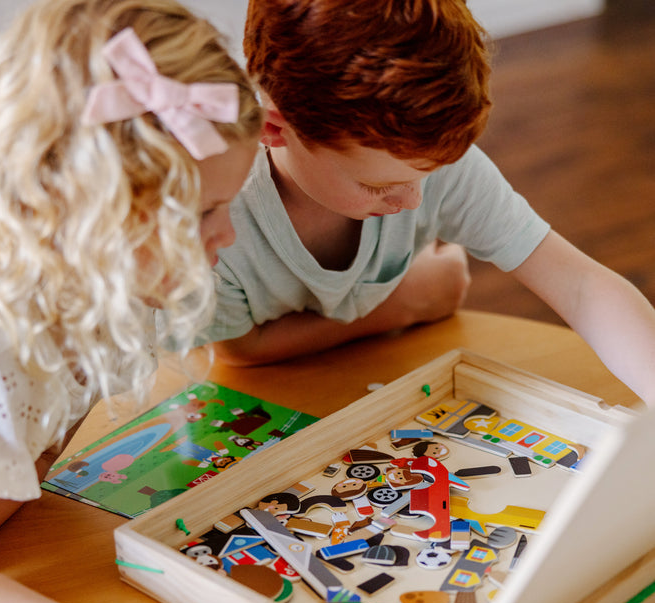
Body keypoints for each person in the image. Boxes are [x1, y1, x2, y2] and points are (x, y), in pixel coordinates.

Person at [0, 0, 261, 603]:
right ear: (93, 215)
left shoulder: (99, 275)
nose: (226, 236)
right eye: (199, 217)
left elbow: (36, 453)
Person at [206, 0, 655, 406]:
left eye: (431, 172)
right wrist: (402, 306)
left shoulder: (424, 164)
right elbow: (241, 350)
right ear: (274, 129)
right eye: (378, 185)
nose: (414, 199)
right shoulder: (216, 214)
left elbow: (581, 286)